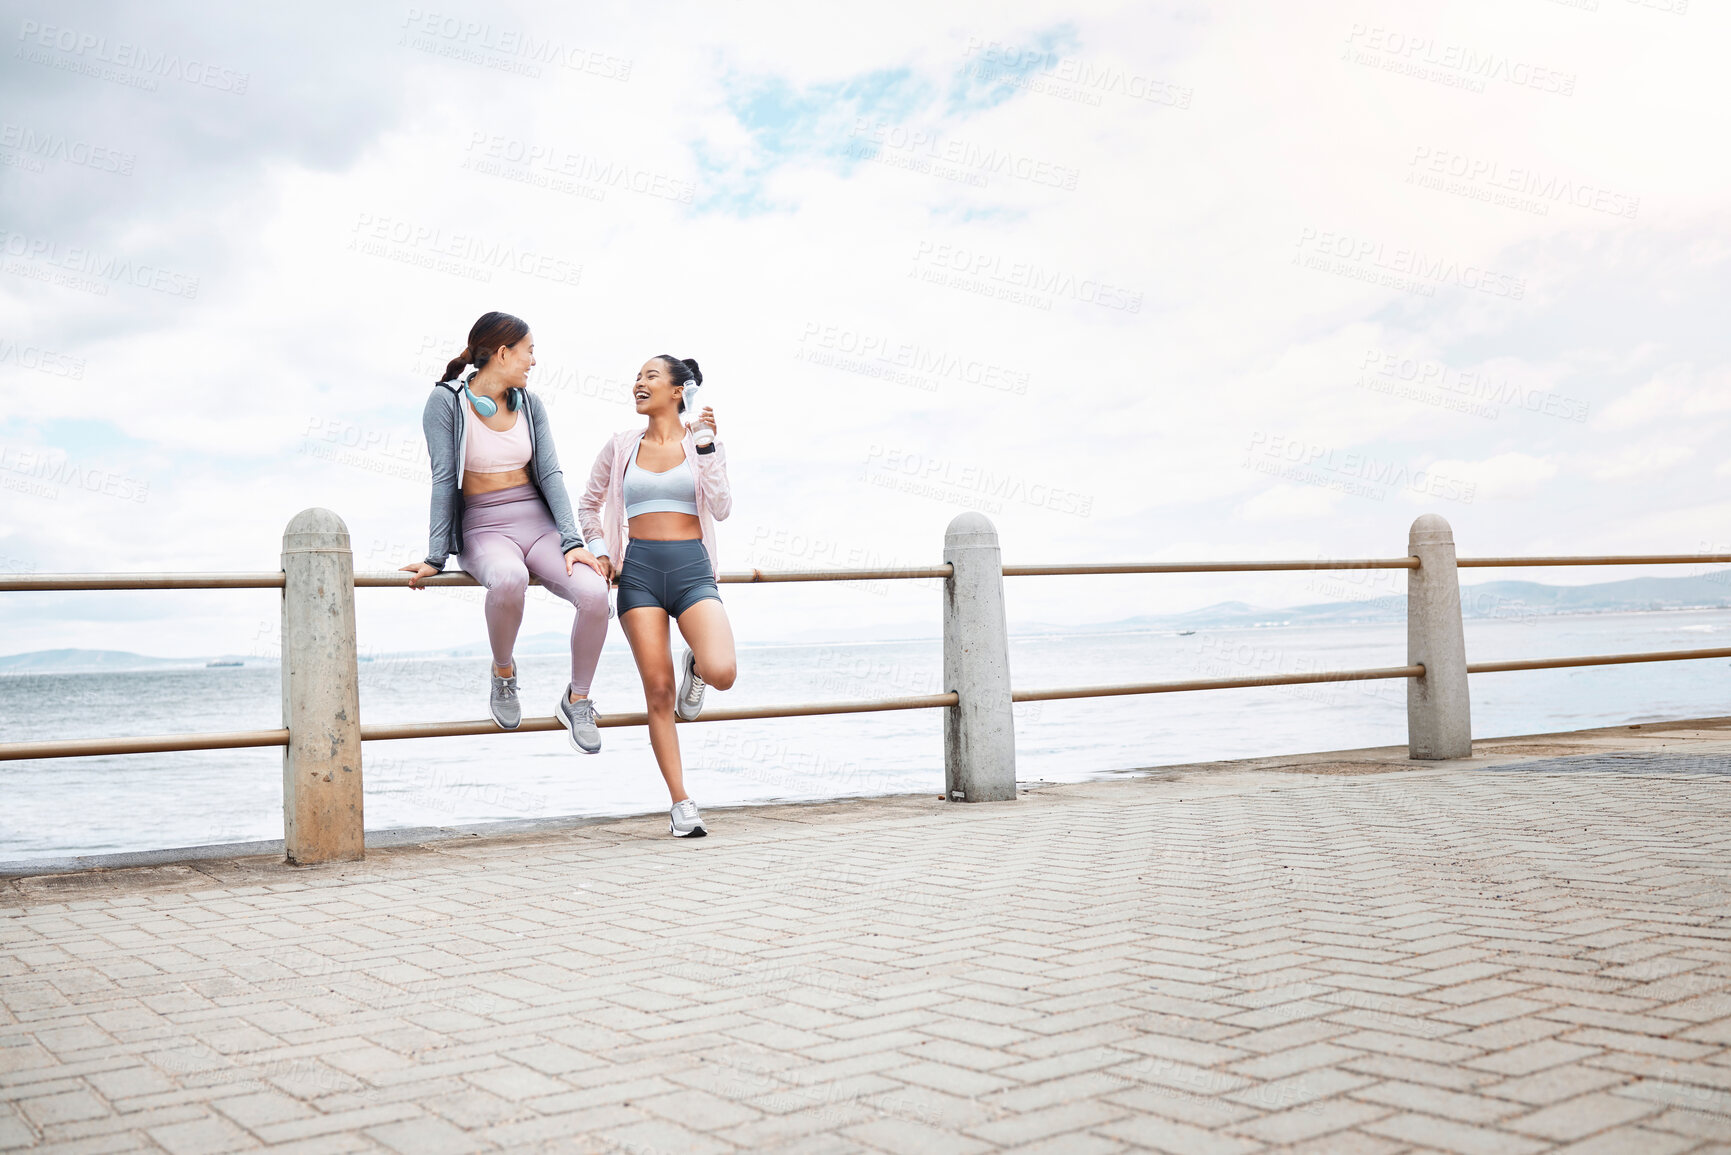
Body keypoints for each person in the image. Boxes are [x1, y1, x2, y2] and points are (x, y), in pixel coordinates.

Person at [400, 311, 610, 754]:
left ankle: (578, 699)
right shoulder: (445, 402)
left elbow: (550, 472)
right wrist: (436, 556)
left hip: (537, 523)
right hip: (483, 526)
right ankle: (503, 674)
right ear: (502, 353)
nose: (533, 361)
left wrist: (573, 541)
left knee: (595, 594)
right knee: (509, 579)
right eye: (529, 351)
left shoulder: (530, 404)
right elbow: (443, 478)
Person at [580, 355, 736, 837]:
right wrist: (602, 552)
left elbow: (723, 508)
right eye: (637, 377)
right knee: (660, 692)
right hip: (639, 573)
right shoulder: (621, 445)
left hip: (692, 568)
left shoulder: (701, 442)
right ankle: (681, 803)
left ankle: (698, 668)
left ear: (677, 391)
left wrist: (707, 449)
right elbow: (588, 504)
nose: (638, 384)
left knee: (723, 672)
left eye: (650, 377)